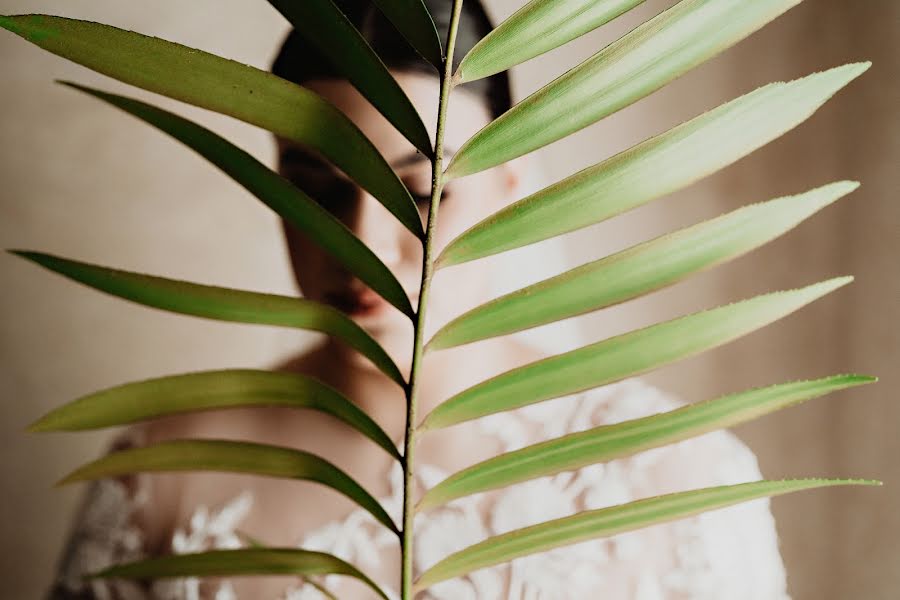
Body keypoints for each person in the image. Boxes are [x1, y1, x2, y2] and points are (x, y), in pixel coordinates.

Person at [47, 1, 790, 598]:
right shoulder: (160, 480)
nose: (360, 238)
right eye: (315, 186)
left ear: (508, 186)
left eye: (421, 193)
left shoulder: (677, 478)